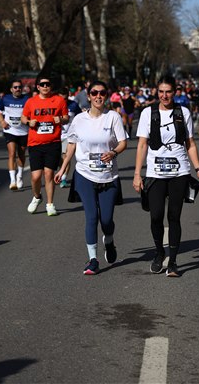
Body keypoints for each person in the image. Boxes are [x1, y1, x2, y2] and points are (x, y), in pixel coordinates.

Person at [133, 75, 199, 277]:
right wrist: (137, 174)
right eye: (161, 91)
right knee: (156, 215)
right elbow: (142, 145)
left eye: (168, 92)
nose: (164, 95)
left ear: (175, 92)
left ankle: (173, 262)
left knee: (174, 216)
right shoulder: (147, 113)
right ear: (156, 92)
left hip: (179, 171)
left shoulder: (183, 112)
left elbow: (190, 144)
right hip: (155, 173)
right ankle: (159, 253)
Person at [55, 81, 127, 275]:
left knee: (106, 220)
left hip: (108, 175)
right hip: (84, 174)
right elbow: (71, 144)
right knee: (92, 216)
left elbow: (123, 142)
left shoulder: (112, 117)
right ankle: (93, 260)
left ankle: (109, 241)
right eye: (94, 93)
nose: (98, 96)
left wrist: (113, 152)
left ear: (106, 96)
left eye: (102, 93)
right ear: (88, 96)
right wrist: (63, 169)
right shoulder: (79, 119)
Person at [21, 75, 69, 216]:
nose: (45, 86)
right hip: (35, 143)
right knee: (36, 177)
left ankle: (50, 204)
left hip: (52, 143)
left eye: (48, 84)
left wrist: (60, 119)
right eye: (42, 84)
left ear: (51, 86)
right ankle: (37, 197)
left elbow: (66, 118)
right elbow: (23, 117)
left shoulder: (59, 100)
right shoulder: (31, 101)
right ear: (38, 87)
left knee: (49, 174)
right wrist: (28, 122)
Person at [0, 80, 30, 190]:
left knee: (21, 154)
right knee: (11, 153)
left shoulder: (27, 99)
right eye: (15, 87)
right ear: (11, 89)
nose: (17, 89)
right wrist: (2, 121)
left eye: (19, 87)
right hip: (10, 130)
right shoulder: (5, 98)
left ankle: (19, 176)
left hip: (23, 131)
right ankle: (12, 181)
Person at [59, 86, 82, 188]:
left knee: (66, 157)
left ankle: (63, 178)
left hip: (68, 136)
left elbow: (80, 117)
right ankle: (61, 171)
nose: (63, 101)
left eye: (65, 98)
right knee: (58, 159)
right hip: (55, 136)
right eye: (61, 98)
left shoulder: (73, 105)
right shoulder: (53, 105)